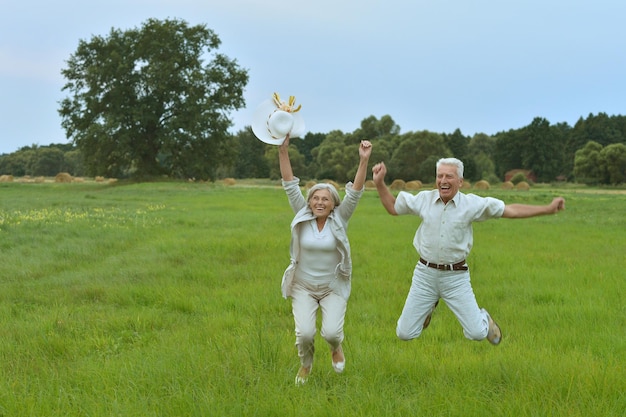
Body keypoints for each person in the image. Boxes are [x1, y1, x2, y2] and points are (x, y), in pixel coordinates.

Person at [372, 158, 565, 345]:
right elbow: (392, 207)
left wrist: (547, 209)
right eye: (440, 176)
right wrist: (380, 183)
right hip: (425, 275)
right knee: (404, 333)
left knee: (477, 333)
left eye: (449, 176)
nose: (443, 181)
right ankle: (427, 308)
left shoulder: (472, 205)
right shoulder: (424, 199)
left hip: (455, 278)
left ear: (460, 181)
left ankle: (485, 319)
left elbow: (511, 210)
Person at [279, 135, 372, 385]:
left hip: (333, 287)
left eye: (325, 199)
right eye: (315, 198)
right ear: (309, 202)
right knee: (305, 333)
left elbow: (355, 193)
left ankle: (335, 347)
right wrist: (283, 151)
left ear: (333, 204)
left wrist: (363, 161)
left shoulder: (340, 219)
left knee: (331, 332)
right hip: (303, 286)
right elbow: (289, 183)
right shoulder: (303, 214)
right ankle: (306, 365)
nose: (320, 202)